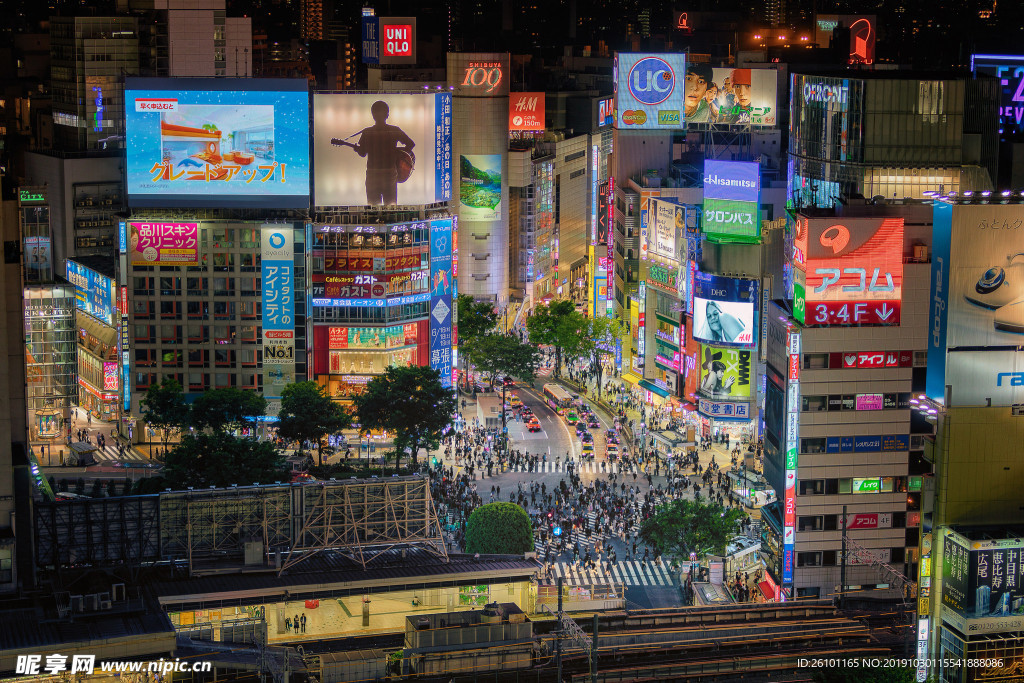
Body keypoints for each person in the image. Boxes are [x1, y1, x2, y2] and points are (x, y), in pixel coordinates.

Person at [340, 100, 415, 206]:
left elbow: (362, 153)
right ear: (387, 114)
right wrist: (398, 155)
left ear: (372, 115)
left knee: (373, 207)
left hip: (372, 174)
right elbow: (411, 144)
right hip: (390, 173)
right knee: (391, 207)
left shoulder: (367, 132)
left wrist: (355, 148)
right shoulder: (394, 130)